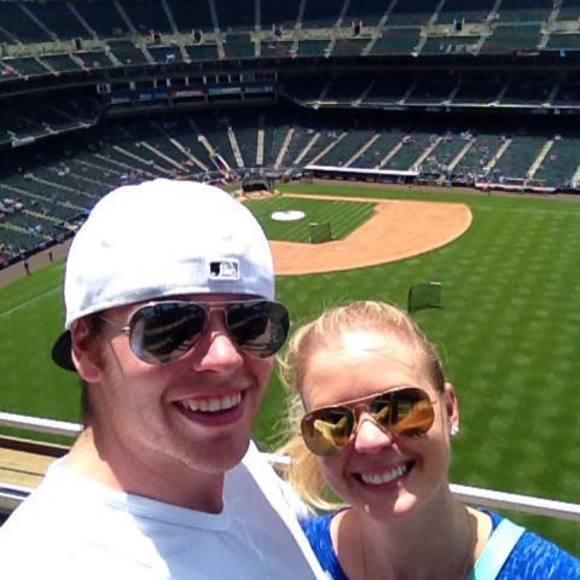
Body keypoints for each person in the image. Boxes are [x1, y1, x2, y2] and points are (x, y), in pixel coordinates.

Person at [0, 179, 326, 579]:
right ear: (86, 348)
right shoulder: (42, 564)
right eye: (170, 327)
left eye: (252, 323)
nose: (225, 358)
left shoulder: (233, 466)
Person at [278, 301, 580, 579]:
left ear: (449, 409)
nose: (370, 440)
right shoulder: (285, 559)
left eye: (401, 408)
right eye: (332, 422)